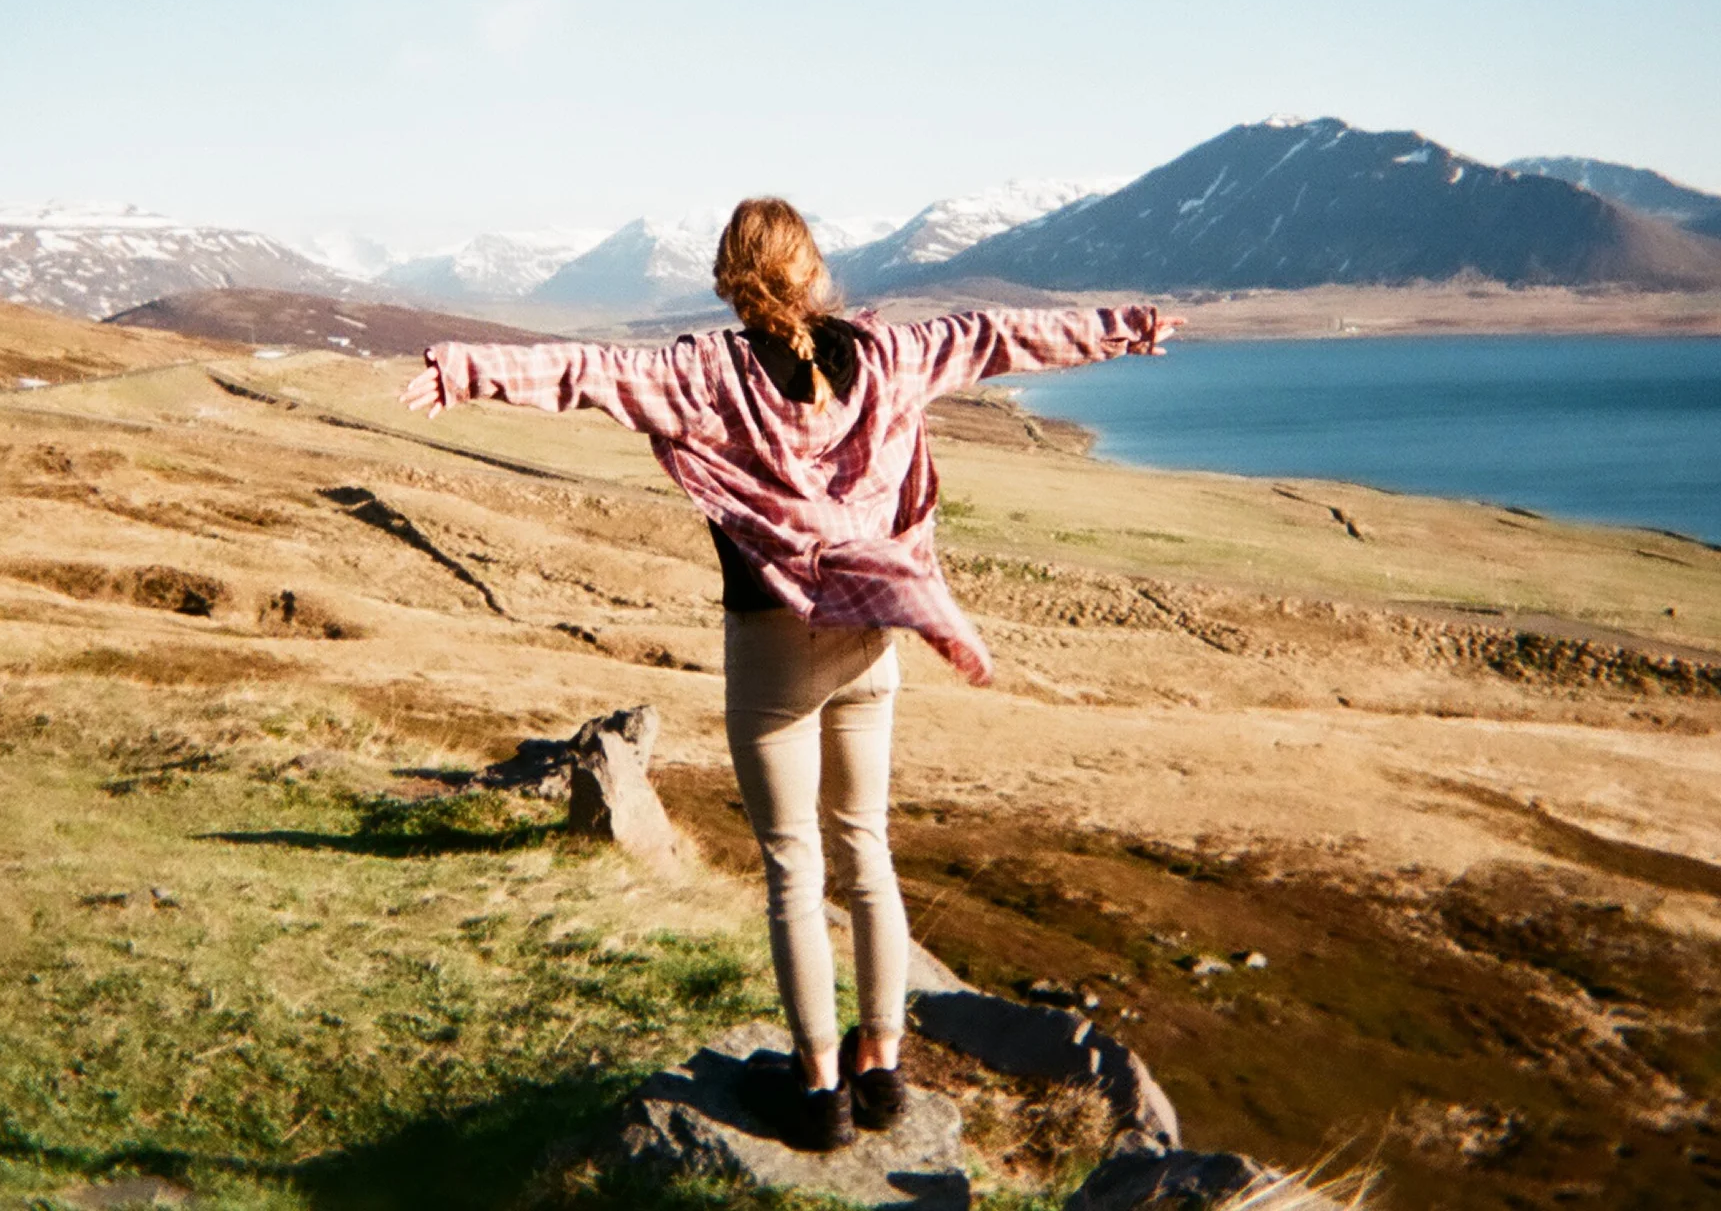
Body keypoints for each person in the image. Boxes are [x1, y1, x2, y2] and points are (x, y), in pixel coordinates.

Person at [402, 197, 1177, 1152]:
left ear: (733, 280)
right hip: (870, 640)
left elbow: (589, 371)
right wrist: (1123, 327)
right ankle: (882, 1070)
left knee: (793, 870)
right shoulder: (887, 355)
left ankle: (818, 1091)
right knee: (867, 852)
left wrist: (461, 370)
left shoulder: (706, 373)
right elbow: (992, 336)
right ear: (812, 272)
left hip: (772, 647)